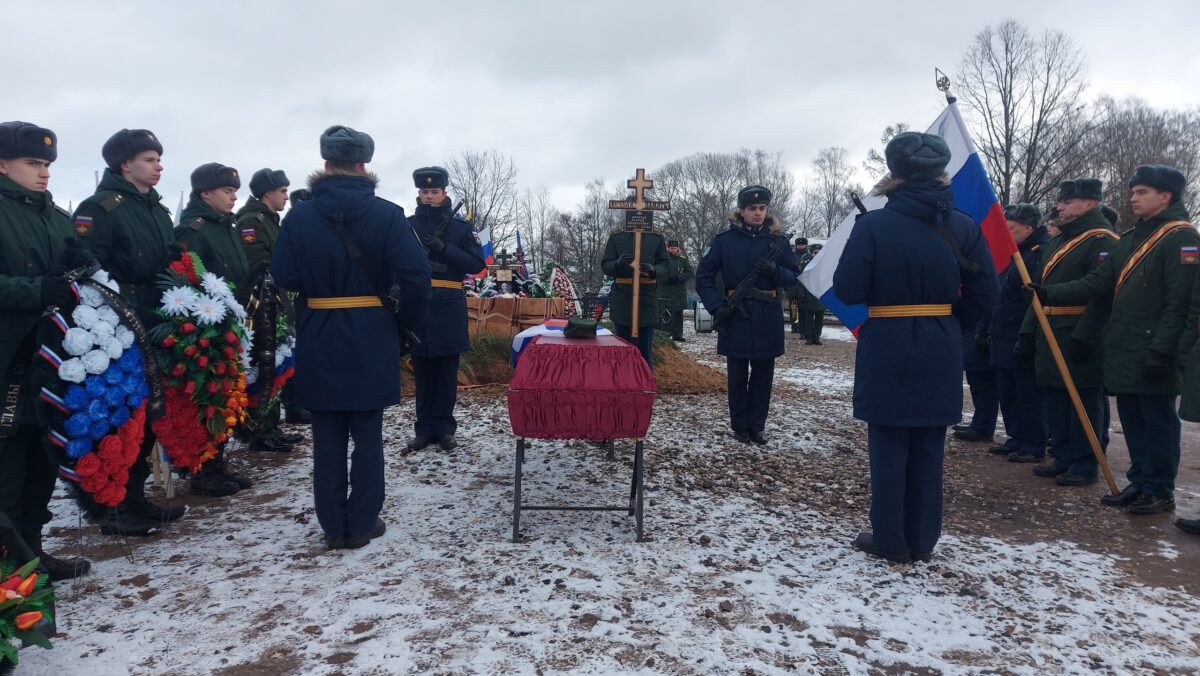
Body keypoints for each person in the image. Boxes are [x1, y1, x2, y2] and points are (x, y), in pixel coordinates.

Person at [833, 132, 997, 563]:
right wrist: (948, 324)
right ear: (940, 173)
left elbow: (847, 290)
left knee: (888, 441)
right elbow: (986, 291)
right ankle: (923, 539)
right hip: (942, 340)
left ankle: (890, 538)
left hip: (887, 339)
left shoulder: (873, 225)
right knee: (929, 442)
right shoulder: (963, 225)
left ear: (894, 174)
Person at [272, 125, 430, 549]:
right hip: (370, 332)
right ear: (364, 165)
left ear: (325, 165)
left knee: (325, 434)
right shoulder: (387, 214)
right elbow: (417, 277)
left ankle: (332, 524)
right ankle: (361, 522)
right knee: (367, 430)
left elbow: (283, 275)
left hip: (319, 330)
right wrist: (405, 324)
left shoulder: (299, 215)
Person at [1027, 165, 1198, 514]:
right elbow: (1098, 284)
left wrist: (1163, 349)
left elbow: (1179, 302)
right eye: (1133, 192)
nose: (1133, 198)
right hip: (1126, 346)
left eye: (1142, 193)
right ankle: (1141, 481)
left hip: (1153, 347)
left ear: (1165, 196)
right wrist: (1048, 293)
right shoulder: (1134, 238)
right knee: (1134, 419)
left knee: (1158, 422)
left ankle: (1160, 489)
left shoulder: (1181, 237)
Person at [73, 128, 186, 535]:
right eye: (149, 160)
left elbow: (169, 259)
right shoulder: (101, 208)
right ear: (125, 165)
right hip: (118, 324)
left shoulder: (156, 209)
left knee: (149, 411)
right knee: (120, 413)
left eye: (158, 159)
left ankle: (134, 497)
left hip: (156, 319)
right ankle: (111, 506)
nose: (159, 166)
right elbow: (88, 268)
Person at [0, 121, 91, 579]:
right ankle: (9, 571)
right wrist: (37, 288)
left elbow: (73, 265)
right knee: (9, 471)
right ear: (2, 164)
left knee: (43, 460)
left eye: (48, 165)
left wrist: (84, 265)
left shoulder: (55, 216)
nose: (44, 173)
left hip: (52, 361)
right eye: (32, 163)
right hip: (8, 362)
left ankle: (33, 555)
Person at [1017, 181, 1116, 486]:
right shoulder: (1061, 242)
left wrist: (1084, 334)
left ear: (1090, 204)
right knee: (1056, 399)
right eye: (1061, 202)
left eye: (1068, 202)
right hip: (1050, 329)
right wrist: (1027, 331)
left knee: (1083, 400)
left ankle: (1085, 462)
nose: (1059, 207)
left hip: (1079, 329)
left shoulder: (1102, 241)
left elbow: (1100, 291)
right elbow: (1039, 294)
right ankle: (1062, 456)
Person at [695, 186, 799, 445]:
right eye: (752, 208)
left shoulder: (779, 241)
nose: (758, 213)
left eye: (762, 208)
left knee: (764, 375)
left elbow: (795, 277)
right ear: (741, 210)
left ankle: (758, 426)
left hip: (767, 314)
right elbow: (704, 276)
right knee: (737, 376)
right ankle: (740, 426)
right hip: (735, 314)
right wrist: (716, 306)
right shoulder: (724, 240)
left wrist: (776, 271)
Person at [175, 162, 252, 497]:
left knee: (226, 394)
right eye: (227, 191)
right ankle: (203, 471)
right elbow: (189, 276)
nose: (234, 197)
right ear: (205, 193)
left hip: (230, 320)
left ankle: (217, 463)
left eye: (235, 190)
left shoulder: (227, 226)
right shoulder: (193, 230)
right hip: (206, 325)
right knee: (208, 396)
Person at [405, 166, 485, 453]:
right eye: (424, 192)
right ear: (418, 194)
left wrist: (444, 248)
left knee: (446, 371)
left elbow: (477, 265)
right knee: (423, 371)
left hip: (449, 305)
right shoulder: (408, 225)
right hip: (418, 304)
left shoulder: (461, 228)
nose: (429, 197)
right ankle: (424, 428)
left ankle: (445, 428)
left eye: (434, 192)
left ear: (444, 193)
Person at [235, 168, 302, 452]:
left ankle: (270, 426)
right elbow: (258, 263)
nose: (286, 196)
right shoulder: (252, 220)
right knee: (263, 363)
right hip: (260, 304)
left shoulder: (270, 220)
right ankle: (260, 429)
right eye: (283, 191)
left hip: (275, 299)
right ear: (267, 194)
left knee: (274, 364)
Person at [988, 204, 1049, 464]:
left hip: (1023, 333)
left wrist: (1026, 334)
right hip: (1004, 334)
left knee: (1028, 393)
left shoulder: (1040, 253)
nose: (1007, 233)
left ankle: (1034, 442)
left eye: (1011, 228)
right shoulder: (1015, 254)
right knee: (1008, 390)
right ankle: (1016, 436)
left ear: (1029, 228)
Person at [600, 207, 670, 368]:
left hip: (646, 299)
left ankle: (645, 383)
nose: (638, 215)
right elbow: (605, 264)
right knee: (622, 345)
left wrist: (653, 270)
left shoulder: (655, 238)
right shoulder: (617, 238)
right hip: (624, 299)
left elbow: (666, 266)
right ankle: (622, 383)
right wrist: (617, 264)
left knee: (645, 346)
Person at [657, 239, 693, 341]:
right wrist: (666, 278)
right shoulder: (663, 258)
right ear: (667, 248)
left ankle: (678, 334)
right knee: (665, 314)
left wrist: (678, 278)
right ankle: (665, 334)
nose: (673, 250)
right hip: (665, 291)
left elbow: (689, 273)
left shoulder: (683, 260)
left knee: (678, 315)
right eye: (671, 248)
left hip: (678, 292)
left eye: (675, 248)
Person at [792, 238, 827, 345]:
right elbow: (801, 280)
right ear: (811, 253)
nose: (817, 254)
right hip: (809, 294)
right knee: (808, 318)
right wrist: (801, 295)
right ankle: (809, 337)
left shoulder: (825, 264)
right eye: (815, 252)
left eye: (819, 252)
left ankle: (816, 337)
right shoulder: (806, 263)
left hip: (820, 294)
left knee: (819, 319)